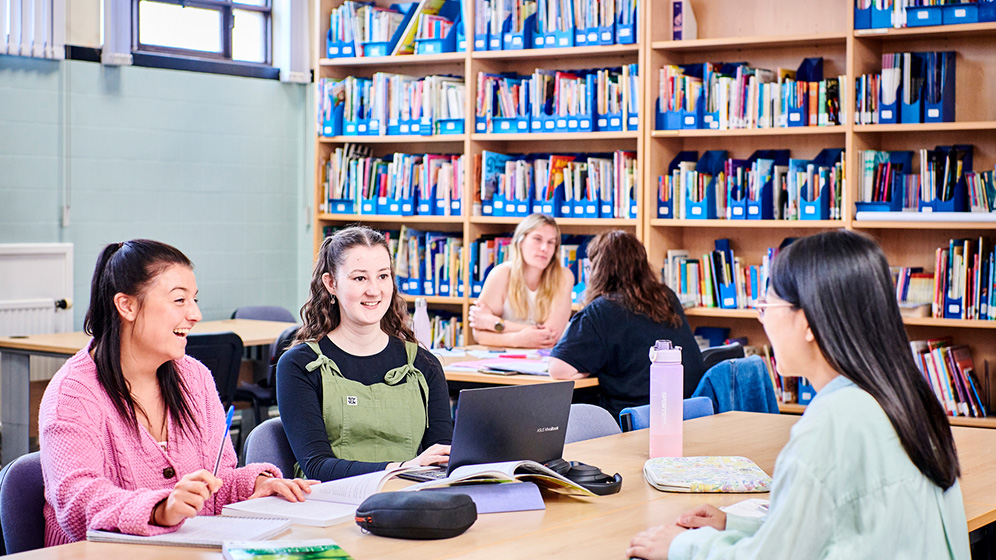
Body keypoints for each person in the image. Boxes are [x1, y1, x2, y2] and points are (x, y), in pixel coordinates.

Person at [627, 230, 970, 560]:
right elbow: (845, 525)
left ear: (806, 321)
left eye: (767, 306)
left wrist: (682, 547)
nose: (762, 321)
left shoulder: (833, 424)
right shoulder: (906, 398)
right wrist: (737, 523)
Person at [39, 240, 315, 547]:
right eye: (180, 300)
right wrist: (161, 509)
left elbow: (216, 483)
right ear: (126, 305)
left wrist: (257, 485)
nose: (195, 314)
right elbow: (77, 502)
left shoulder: (193, 377)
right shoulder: (72, 394)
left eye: (194, 300)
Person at [277, 226, 453, 481]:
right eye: (360, 278)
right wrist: (404, 467)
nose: (374, 290)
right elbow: (317, 466)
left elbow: (442, 458)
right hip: (329, 505)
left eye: (383, 276)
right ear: (331, 283)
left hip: (411, 500)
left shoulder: (424, 364)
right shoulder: (299, 365)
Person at [548, 230, 704, 419]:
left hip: (631, 421)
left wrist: (588, 369)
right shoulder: (666, 297)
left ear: (599, 270)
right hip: (680, 415)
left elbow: (557, 369)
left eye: (589, 268)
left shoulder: (601, 310)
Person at [468, 213, 574, 348]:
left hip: (549, 361)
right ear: (520, 242)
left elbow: (550, 336)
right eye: (537, 239)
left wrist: (496, 324)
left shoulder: (564, 276)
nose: (544, 248)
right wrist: (516, 339)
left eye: (551, 242)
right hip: (505, 361)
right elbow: (479, 333)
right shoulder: (501, 274)